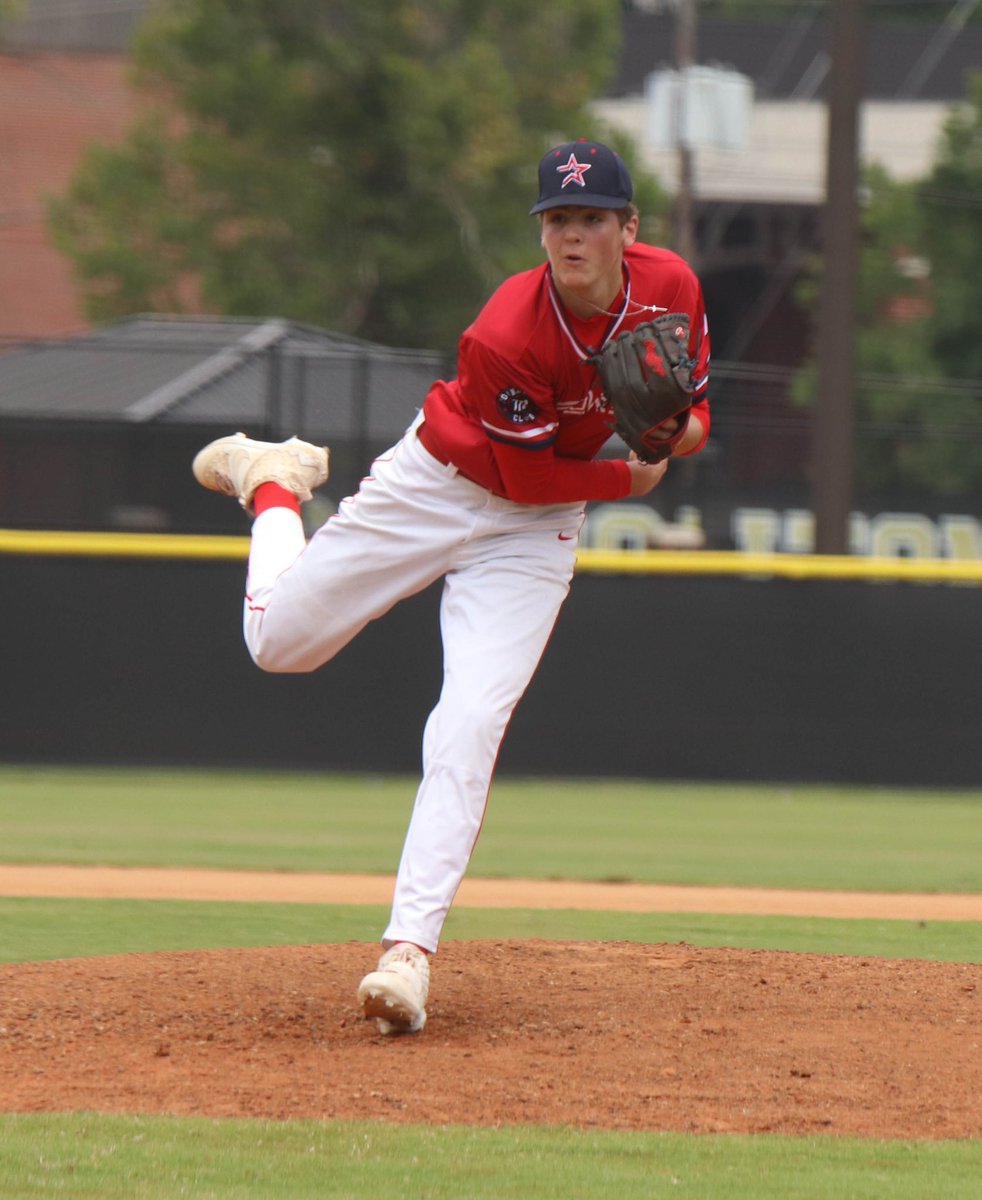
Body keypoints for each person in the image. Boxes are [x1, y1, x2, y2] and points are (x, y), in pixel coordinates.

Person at [192, 138, 711, 1035]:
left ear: (629, 227)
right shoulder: (508, 328)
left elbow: (695, 412)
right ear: (541, 231)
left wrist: (674, 436)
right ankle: (274, 482)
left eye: (591, 218)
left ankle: (408, 955)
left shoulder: (674, 288)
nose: (572, 235)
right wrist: (635, 479)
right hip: (441, 484)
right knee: (277, 646)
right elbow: (525, 477)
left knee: (469, 722)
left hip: (533, 534)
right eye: (557, 219)